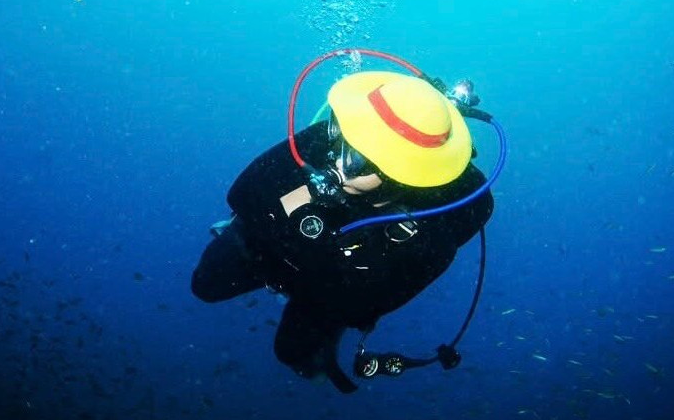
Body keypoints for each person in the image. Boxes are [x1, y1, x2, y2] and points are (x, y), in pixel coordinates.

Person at [192, 54, 497, 394]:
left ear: (395, 176)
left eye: (356, 159)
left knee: (294, 354)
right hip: (278, 253)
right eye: (342, 136)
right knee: (205, 285)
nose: (336, 159)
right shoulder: (348, 133)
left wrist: (320, 250)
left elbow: (364, 306)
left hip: (324, 294)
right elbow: (245, 192)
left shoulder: (430, 228)